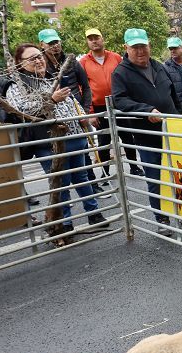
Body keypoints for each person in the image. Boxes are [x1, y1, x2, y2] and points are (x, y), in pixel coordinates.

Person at [6, 43, 109, 236]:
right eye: (32, 58)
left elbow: (72, 102)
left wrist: (83, 117)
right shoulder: (16, 88)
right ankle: (65, 223)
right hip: (50, 143)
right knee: (60, 184)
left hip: (76, 138)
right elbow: (21, 110)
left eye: (39, 56)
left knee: (82, 178)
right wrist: (51, 100)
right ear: (19, 64)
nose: (38, 60)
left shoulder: (50, 80)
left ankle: (94, 213)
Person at [110, 28, 182, 235]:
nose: (140, 51)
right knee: (155, 175)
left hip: (171, 129)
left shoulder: (159, 66)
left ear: (149, 45)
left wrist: (179, 116)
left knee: (179, 170)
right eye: (135, 47)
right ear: (126, 48)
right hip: (146, 133)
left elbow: (172, 94)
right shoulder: (120, 73)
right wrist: (145, 111)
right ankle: (162, 218)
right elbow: (119, 99)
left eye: (143, 46)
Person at [78, 27, 139, 185]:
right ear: (87, 42)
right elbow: (82, 88)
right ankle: (105, 172)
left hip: (119, 104)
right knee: (104, 140)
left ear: (102, 39)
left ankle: (134, 166)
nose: (94, 41)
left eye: (96, 37)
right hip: (99, 107)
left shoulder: (116, 57)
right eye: (90, 39)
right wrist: (90, 112)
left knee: (127, 136)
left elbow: (126, 77)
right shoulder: (83, 62)